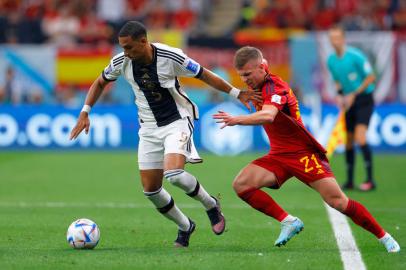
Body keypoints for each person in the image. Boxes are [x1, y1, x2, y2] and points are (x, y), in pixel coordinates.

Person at [69, 21, 259, 248]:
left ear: (143, 41)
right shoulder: (121, 62)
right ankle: (185, 226)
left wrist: (237, 93)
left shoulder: (171, 57)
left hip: (176, 121)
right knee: (151, 191)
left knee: (175, 174)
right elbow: (100, 82)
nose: (125, 53)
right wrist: (85, 111)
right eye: (122, 48)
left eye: (129, 47)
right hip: (148, 129)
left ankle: (210, 205)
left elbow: (204, 75)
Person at [213, 46, 400, 253]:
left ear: (261, 67)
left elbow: (268, 116)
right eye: (241, 76)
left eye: (247, 74)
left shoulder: (275, 86)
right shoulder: (259, 82)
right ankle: (289, 221)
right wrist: (238, 92)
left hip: (303, 155)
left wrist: (236, 119)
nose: (245, 80)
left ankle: (385, 237)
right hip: (279, 155)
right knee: (242, 184)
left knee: (337, 201)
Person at [326, 25, 376, 191]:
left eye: (337, 38)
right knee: (347, 142)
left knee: (360, 138)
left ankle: (370, 180)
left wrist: (354, 93)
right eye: (332, 39)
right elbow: (338, 81)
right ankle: (349, 180)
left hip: (363, 99)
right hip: (348, 101)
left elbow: (370, 77)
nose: (335, 42)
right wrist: (340, 95)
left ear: (343, 39)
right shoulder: (331, 60)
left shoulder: (355, 56)